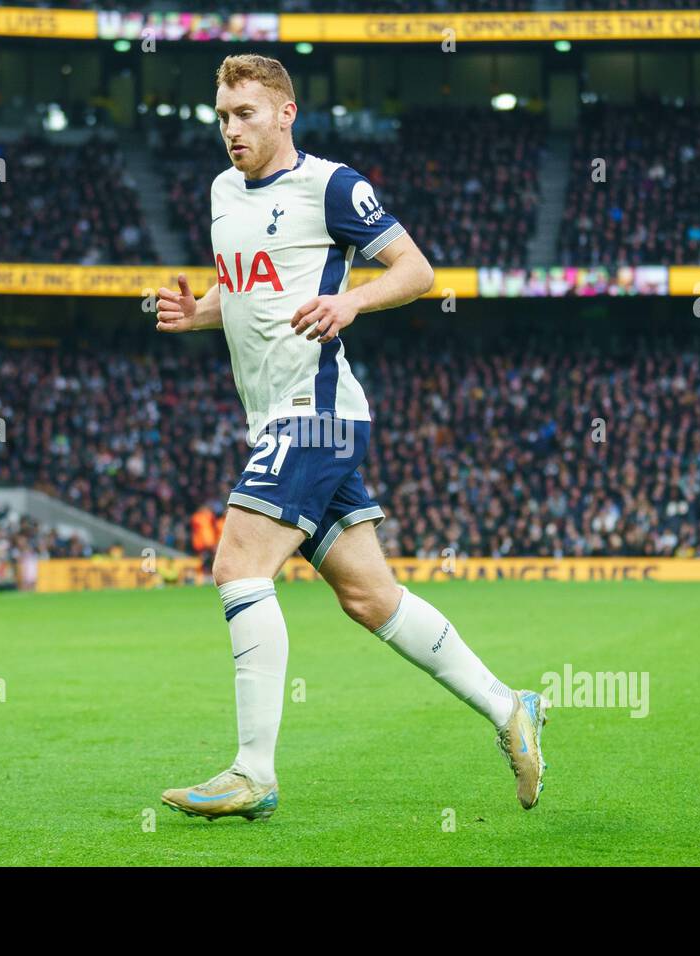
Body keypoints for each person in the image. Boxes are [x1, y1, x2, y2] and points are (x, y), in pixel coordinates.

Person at [154, 54, 550, 823]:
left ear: (283, 114)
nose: (230, 128)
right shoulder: (221, 193)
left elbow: (418, 270)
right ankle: (509, 706)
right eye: (222, 114)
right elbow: (247, 291)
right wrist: (197, 313)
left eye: (244, 113)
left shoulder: (332, 186)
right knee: (372, 599)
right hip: (276, 417)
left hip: (319, 411)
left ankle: (252, 771)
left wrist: (350, 303)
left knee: (237, 564)